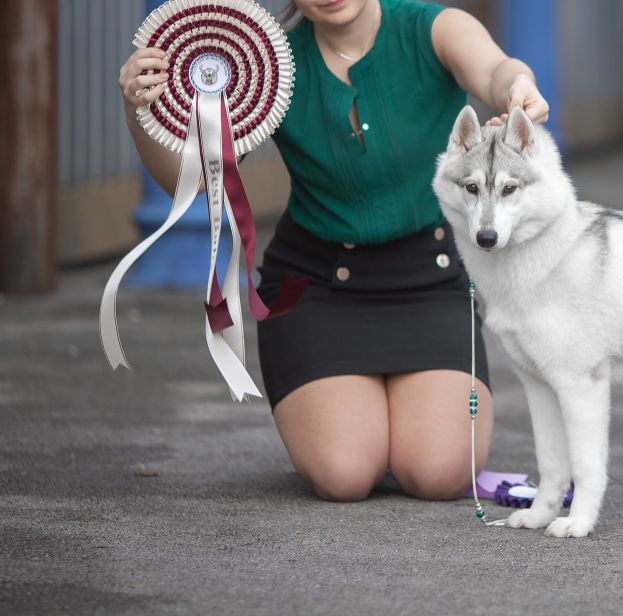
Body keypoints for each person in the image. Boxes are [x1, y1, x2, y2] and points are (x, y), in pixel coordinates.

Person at [117, 0, 549, 502]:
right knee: (343, 475)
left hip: (429, 281)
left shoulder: (435, 28)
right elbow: (192, 181)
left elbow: (496, 71)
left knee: (439, 473)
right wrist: (138, 111)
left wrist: (520, 85)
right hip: (316, 286)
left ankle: (399, 421)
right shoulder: (267, 64)